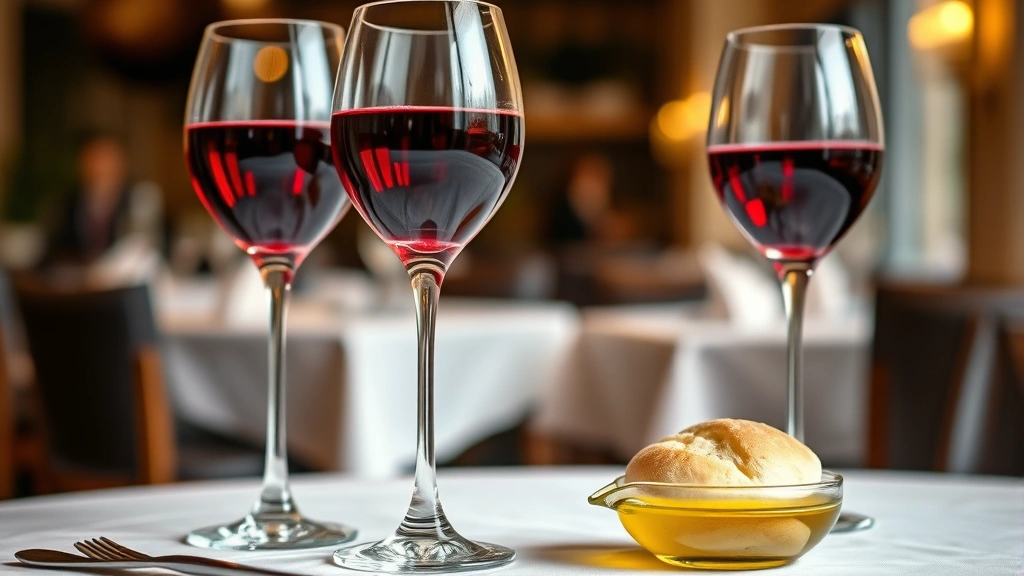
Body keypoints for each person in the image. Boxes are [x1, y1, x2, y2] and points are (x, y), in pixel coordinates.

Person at [45, 132, 133, 266]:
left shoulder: (138, 203)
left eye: (106, 157)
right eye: (93, 157)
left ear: (122, 163)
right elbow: (53, 250)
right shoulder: (67, 202)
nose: (99, 166)